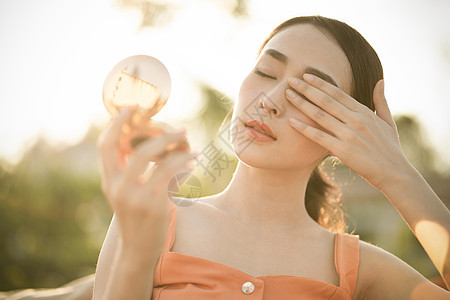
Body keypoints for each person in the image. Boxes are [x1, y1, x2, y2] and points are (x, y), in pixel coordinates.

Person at [92, 16, 450, 299]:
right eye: (265, 72)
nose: (270, 100)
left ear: (352, 133)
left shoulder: (356, 268)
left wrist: (396, 173)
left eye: (308, 95)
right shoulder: (152, 219)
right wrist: (137, 255)